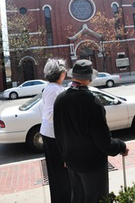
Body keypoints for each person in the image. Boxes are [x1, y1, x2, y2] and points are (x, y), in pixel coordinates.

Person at [53, 59, 129, 203]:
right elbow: (104, 142)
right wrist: (120, 145)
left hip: (72, 161)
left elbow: (59, 133)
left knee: (78, 198)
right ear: (89, 78)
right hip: (92, 164)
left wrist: (65, 157)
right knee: (97, 199)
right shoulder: (92, 102)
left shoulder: (60, 99)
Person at [40, 58, 72, 203]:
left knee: (57, 174)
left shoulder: (51, 88)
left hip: (50, 133)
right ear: (60, 74)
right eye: (64, 71)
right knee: (61, 174)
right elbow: (51, 114)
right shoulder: (54, 90)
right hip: (54, 136)